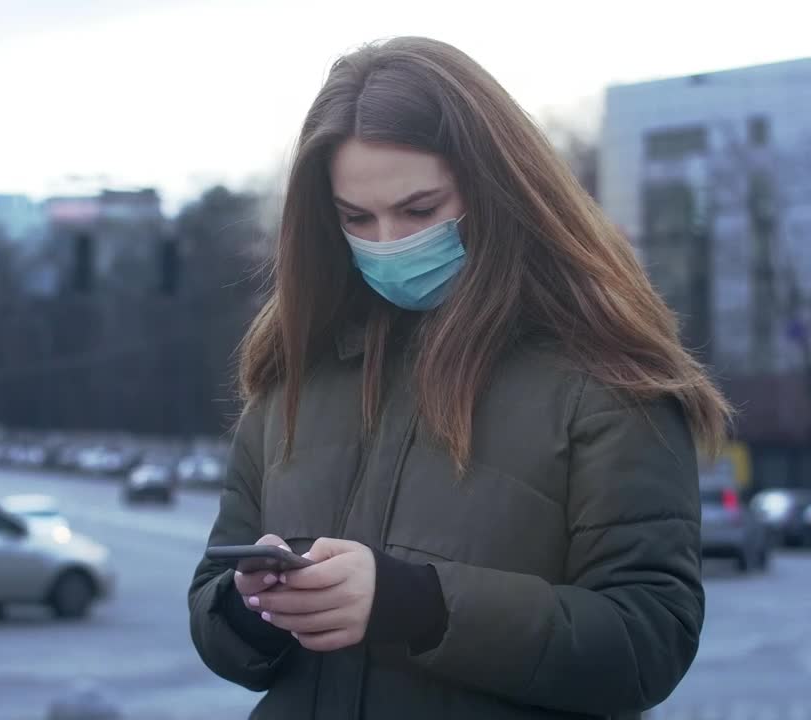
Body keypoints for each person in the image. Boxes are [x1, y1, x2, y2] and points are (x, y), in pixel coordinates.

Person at [188, 36, 732, 720]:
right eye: (356, 218)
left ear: (497, 190)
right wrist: (255, 607)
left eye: (420, 210)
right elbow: (213, 612)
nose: (389, 242)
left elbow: (647, 639)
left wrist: (414, 604)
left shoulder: (605, 376)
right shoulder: (297, 371)